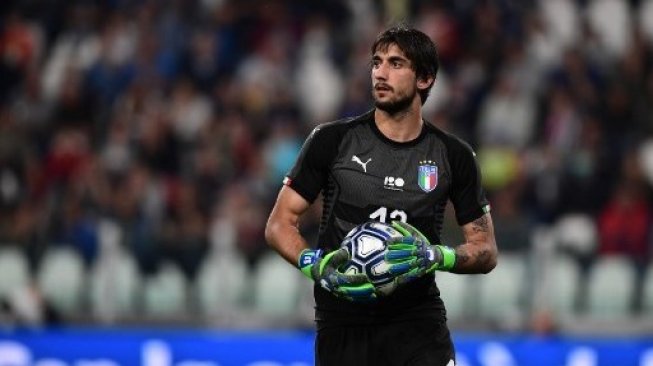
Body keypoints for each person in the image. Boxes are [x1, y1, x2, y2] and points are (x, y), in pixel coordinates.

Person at [265, 25, 498, 366]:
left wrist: (437, 256)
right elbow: (278, 225)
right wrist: (316, 265)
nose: (380, 73)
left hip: (417, 324)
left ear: (425, 79)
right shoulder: (332, 140)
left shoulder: (453, 155)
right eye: (377, 62)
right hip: (342, 324)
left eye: (396, 63)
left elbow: (486, 249)